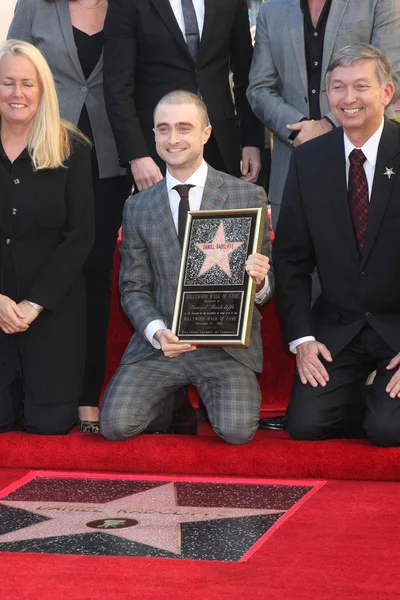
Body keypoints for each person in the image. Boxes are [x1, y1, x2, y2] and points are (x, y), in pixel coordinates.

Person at [100, 90, 274, 444]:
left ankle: (199, 398)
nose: (173, 139)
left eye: (184, 128)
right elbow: (132, 287)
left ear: (206, 133)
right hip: (161, 345)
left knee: (238, 431)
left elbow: (266, 286)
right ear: (153, 135)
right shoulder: (137, 207)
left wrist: (261, 280)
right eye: (163, 129)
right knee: (115, 425)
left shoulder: (246, 196)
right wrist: (156, 331)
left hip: (224, 347)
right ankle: (173, 401)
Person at [8, 0, 131, 433]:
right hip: (40, 148)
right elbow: (15, 61)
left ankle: (85, 393)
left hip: (108, 155)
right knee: (29, 250)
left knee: (94, 272)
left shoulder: (129, 8)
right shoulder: (36, 7)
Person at [273, 43, 400, 447]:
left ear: (387, 92)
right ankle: (372, 398)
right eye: (338, 87)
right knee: (306, 426)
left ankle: (383, 407)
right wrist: (302, 340)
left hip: (398, 326)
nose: (348, 99)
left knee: (387, 431)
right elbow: (290, 257)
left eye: (361, 86)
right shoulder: (309, 160)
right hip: (338, 326)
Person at [0, 39, 94, 434]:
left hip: (52, 311)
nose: (17, 93)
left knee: (49, 425)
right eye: (7, 83)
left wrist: (34, 304)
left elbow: (81, 236)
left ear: (43, 90)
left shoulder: (71, 146)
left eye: (28, 83)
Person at [247, 0, 400, 230]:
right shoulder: (271, 11)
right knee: (292, 261)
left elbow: (391, 76)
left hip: (366, 169)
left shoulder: (379, 2)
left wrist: (328, 124)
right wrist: (299, 129)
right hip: (292, 167)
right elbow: (259, 88)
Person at [102, 0, 264, 191]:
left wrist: (251, 141)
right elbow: (117, 87)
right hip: (158, 149)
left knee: (220, 220)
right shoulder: (128, 3)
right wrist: (137, 155)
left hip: (219, 143)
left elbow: (245, 74)